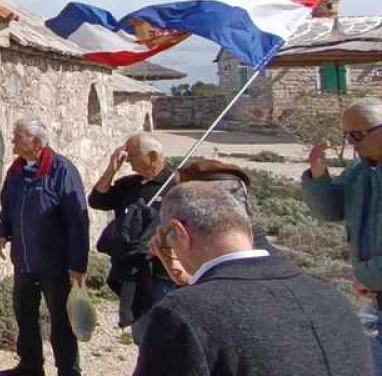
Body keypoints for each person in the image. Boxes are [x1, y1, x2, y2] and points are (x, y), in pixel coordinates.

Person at [135, 181, 370, 375]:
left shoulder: (181, 314)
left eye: (166, 240)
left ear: (179, 233)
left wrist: (193, 296)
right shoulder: (331, 299)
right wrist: (197, 285)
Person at [0, 117, 89, 376]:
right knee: (25, 315)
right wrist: (2, 230)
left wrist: (78, 263)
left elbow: (78, 218)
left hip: (54, 263)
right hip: (24, 260)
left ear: (36, 141)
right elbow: (8, 206)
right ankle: (30, 366)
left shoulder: (61, 169)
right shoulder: (16, 170)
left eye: (18, 135)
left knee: (60, 321)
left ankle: (69, 371)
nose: (13, 139)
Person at [302, 95, 382, 373]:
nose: (353, 144)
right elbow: (331, 210)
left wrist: (372, 275)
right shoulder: (361, 171)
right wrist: (317, 174)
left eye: (358, 135)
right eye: (348, 136)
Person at [89, 133, 175, 338]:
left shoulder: (176, 185)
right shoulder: (130, 184)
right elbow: (97, 200)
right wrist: (112, 168)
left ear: (153, 156)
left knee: (165, 336)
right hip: (132, 273)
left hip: (162, 275)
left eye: (133, 156)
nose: (128, 161)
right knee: (140, 335)